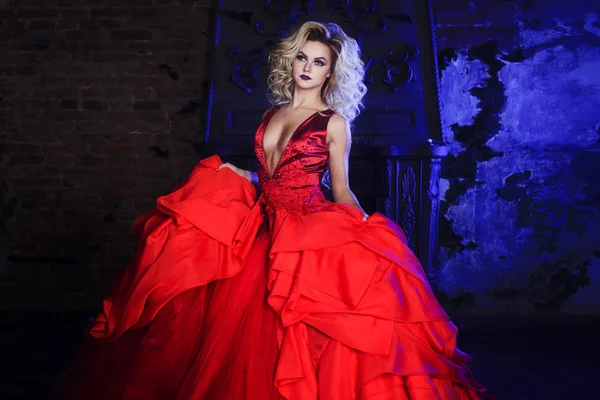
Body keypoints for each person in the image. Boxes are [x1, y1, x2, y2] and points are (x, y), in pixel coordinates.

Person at [55, 21, 485, 399]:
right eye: (302, 57)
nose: (307, 67)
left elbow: (340, 189)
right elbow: (274, 173)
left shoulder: (333, 122)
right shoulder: (272, 113)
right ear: (291, 60)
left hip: (305, 228)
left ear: (331, 71)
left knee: (294, 326)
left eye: (319, 62)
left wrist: (363, 229)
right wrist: (245, 176)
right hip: (261, 224)